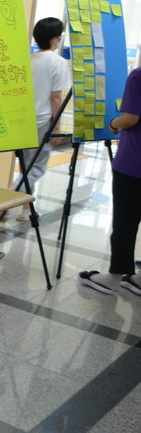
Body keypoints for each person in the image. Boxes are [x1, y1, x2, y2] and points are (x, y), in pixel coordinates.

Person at [79, 66, 141, 296]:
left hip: (134, 165)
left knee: (125, 221)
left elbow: (130, 119)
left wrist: (114, 123)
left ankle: (114, 278)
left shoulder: (138, 76)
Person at [15, 17, 69, 221]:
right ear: (55, 39)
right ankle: (9, 195)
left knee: (26, 165)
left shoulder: (28, 59)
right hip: (43, 120)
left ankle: (25, 208)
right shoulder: (58, 62)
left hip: (23, 120)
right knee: (36, 167)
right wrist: (57, 128)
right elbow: (56, 97)